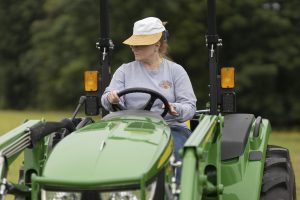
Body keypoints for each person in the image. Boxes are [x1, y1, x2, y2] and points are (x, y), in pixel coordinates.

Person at [101, 17, 196, 182]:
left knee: (181, 154)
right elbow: (106, 98)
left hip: (169, 127)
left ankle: (179, 191)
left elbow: (189, 106)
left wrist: (175, 108)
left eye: (140, 44)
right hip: (129, 129)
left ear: (157, 45)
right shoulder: (124, 70)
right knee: (106, 152)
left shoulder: (176, 71)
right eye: (133, 44)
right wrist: (112, 99)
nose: (134, 48)